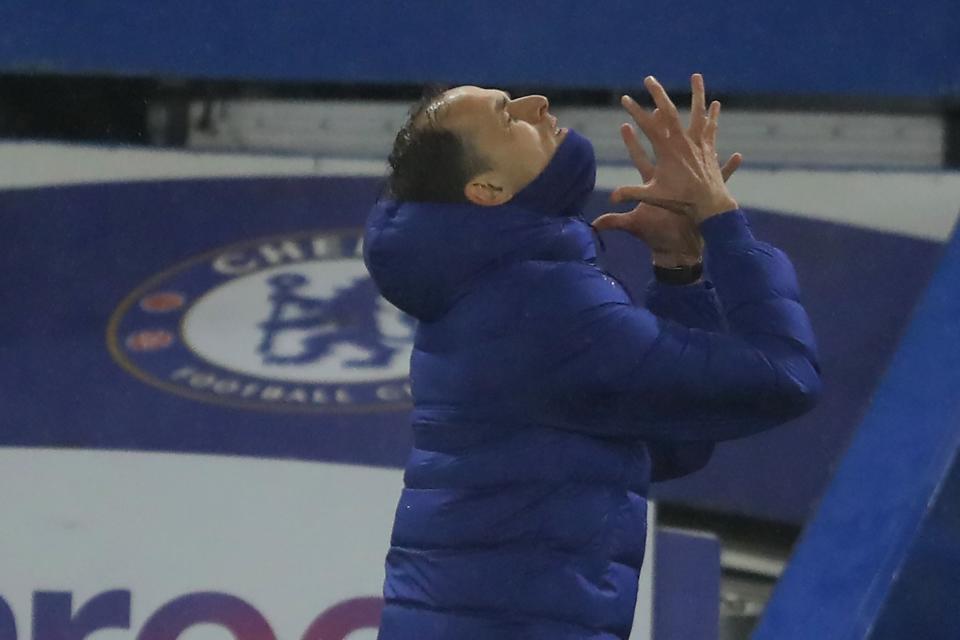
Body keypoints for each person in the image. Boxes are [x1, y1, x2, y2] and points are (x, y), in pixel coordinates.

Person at [363, 74, 821, 640]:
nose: (537, 103)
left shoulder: (492, 290)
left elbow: (663, 439)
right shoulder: (538, 303)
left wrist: (679, 267)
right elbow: (784, 374)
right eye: (508, 115)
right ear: (488, 190)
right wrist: (721, 218)